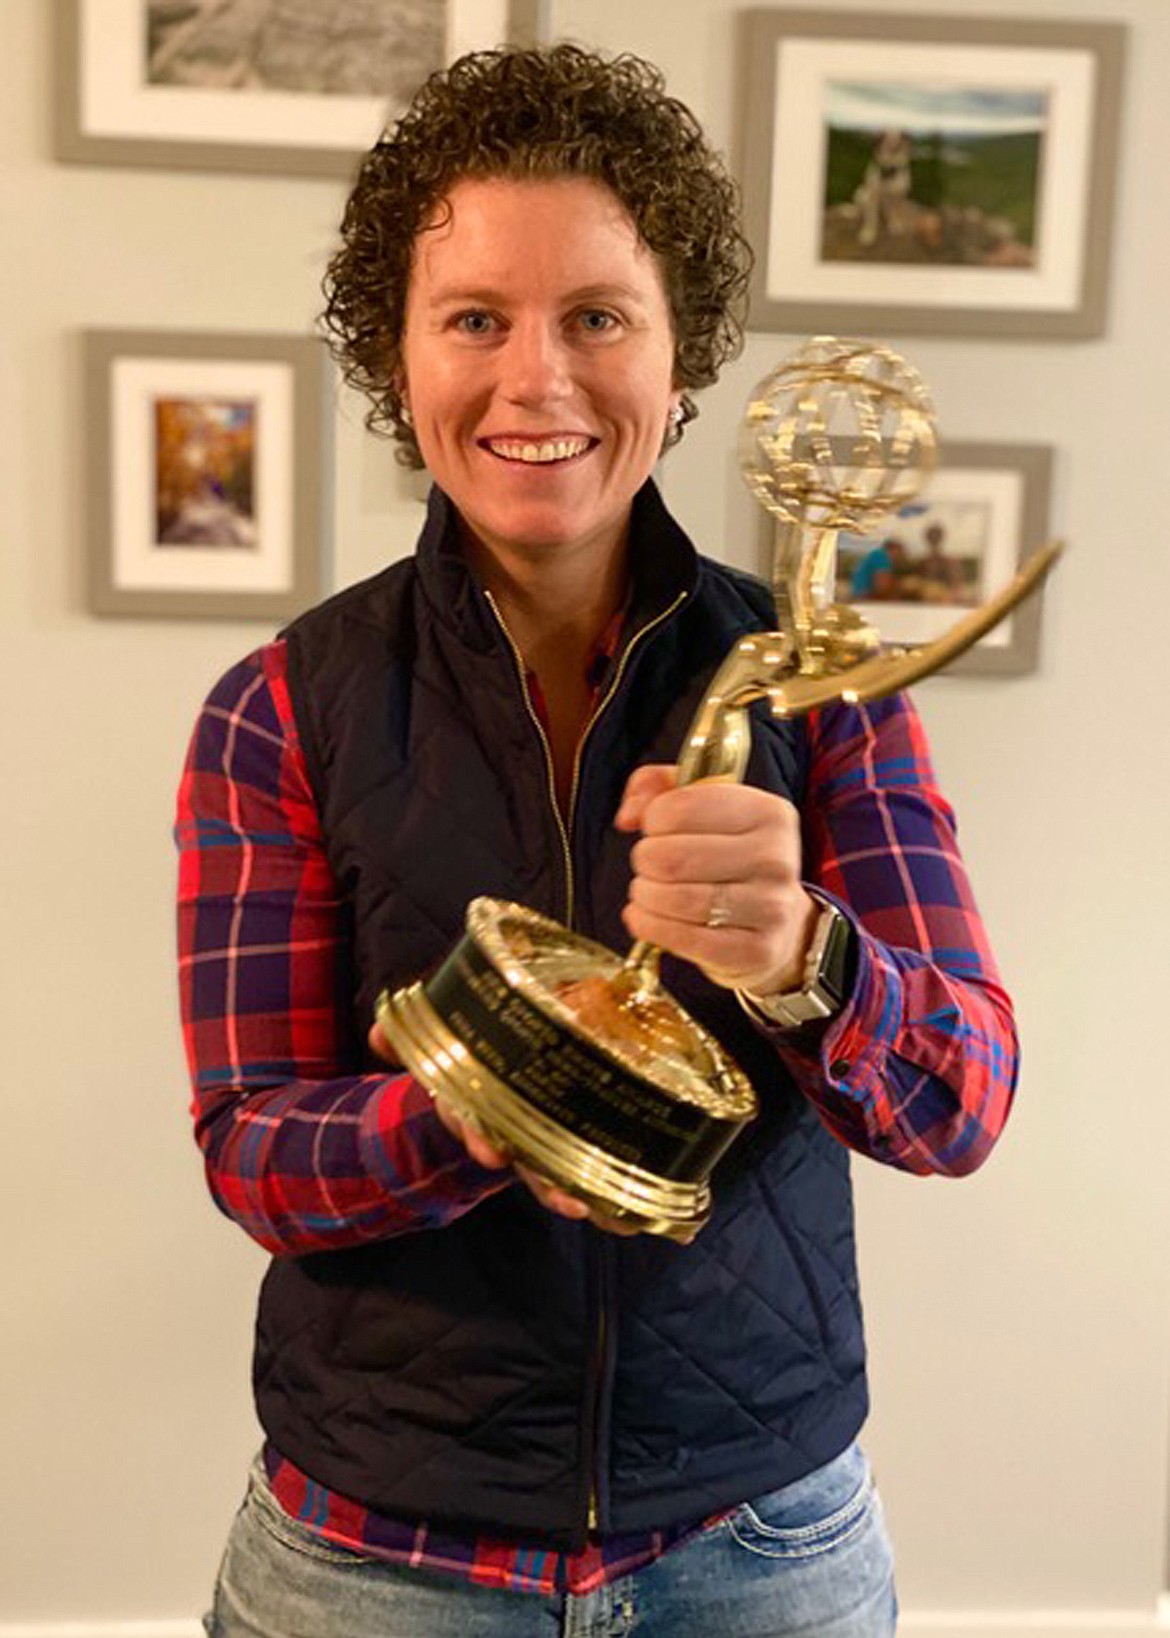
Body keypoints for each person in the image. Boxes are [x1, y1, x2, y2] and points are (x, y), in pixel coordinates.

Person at [176, 43, 1018, 1638]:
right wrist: (498, 1107)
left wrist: (803, 958)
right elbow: (252, 1147)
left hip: (762, 1544)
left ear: (681, 352)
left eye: (598, 317)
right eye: (475, 317)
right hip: (372, 1558)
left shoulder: (819, 691)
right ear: (397, 354)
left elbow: (960, 1100)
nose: (535, 380)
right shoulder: (279, 706)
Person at [849, 535, 908, 601]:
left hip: (861, 597)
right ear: (892, 549)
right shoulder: (881, 556)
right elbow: (882, 587)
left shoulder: (875, 555)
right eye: (900, 552)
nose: (901, 556)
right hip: (865, 599)